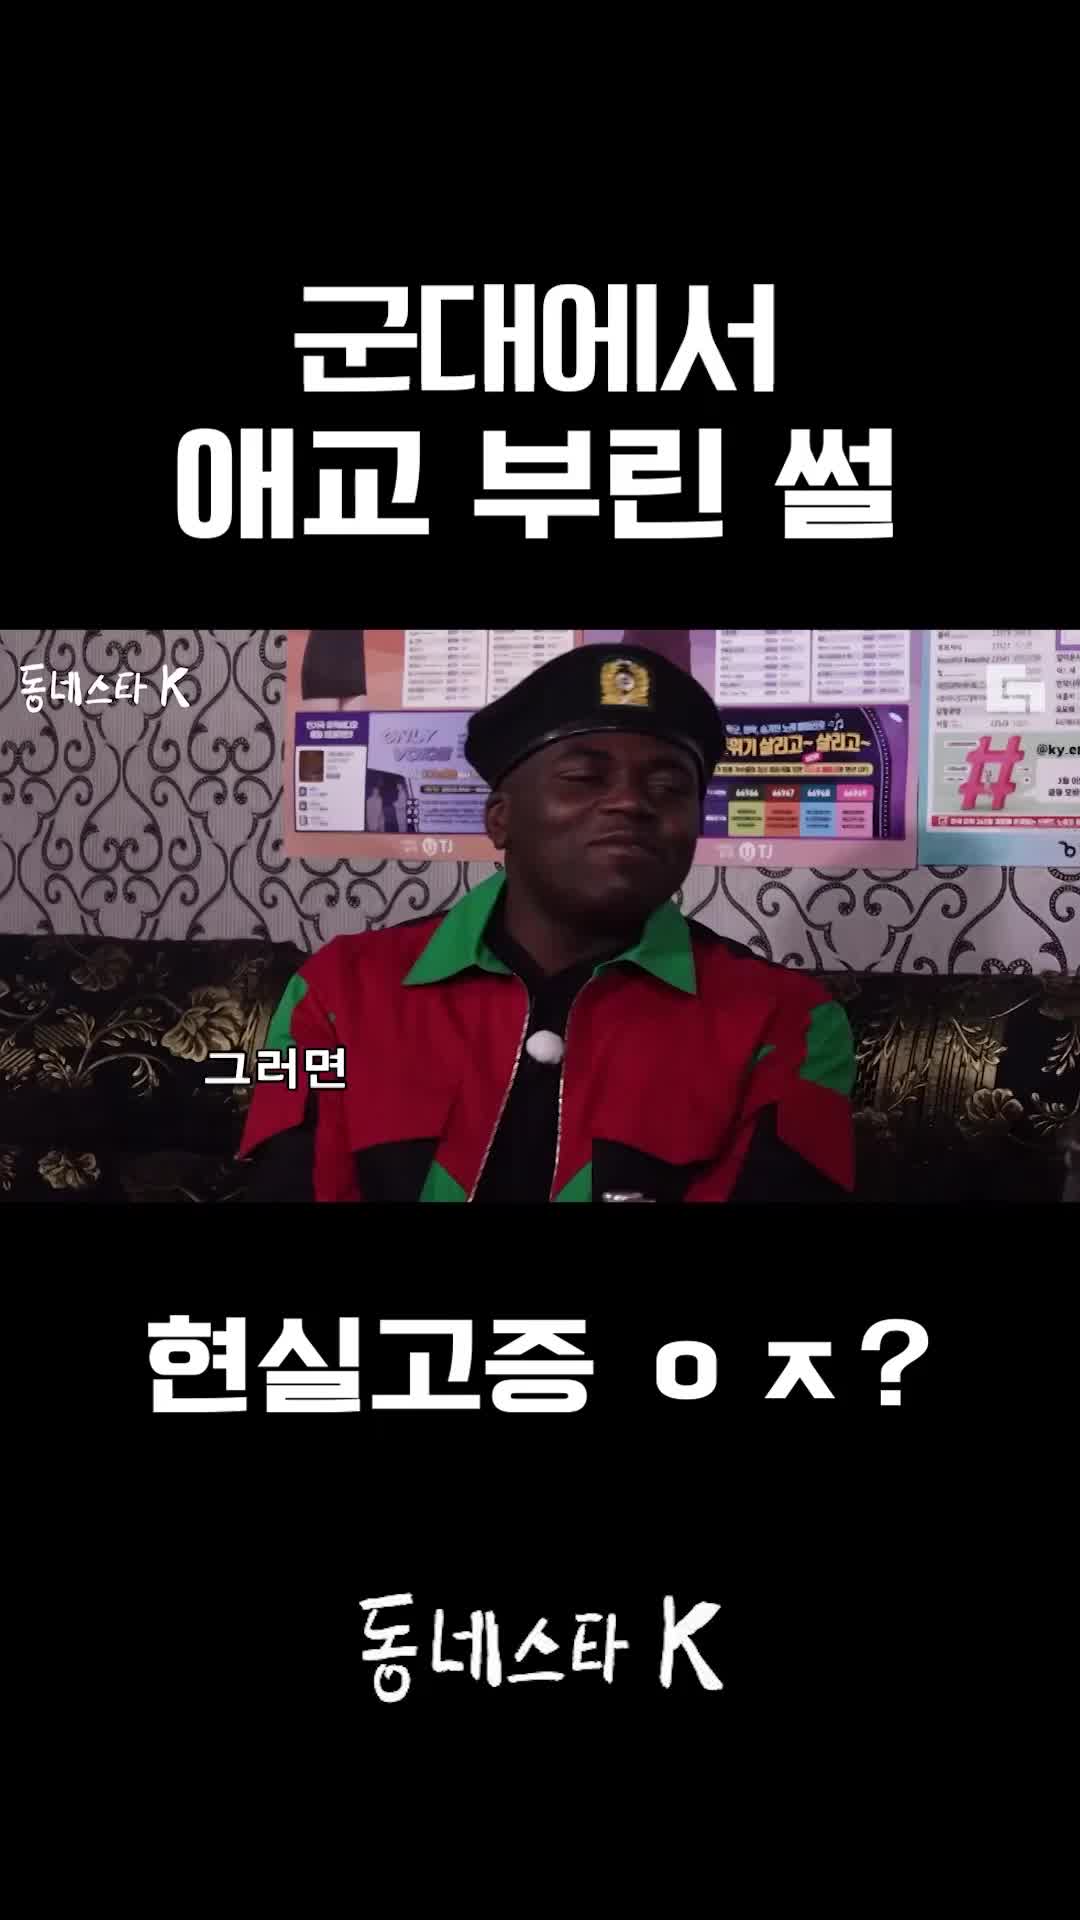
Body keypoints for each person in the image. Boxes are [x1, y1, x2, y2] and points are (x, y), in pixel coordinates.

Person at [239, 643, 855, 1201]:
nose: (630, 802)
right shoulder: (332, 992)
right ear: (500, 819)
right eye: (584, 778)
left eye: (669, 787)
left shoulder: (791, 1024)